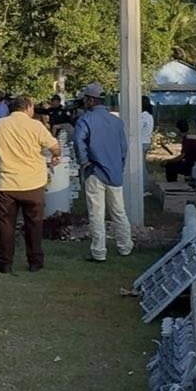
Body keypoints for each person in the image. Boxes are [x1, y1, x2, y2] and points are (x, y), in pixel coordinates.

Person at [0, 95, 59, 273]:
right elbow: (54, 146)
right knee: (34, 224)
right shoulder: (35, 126)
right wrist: (56, 156)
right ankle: (35, 261)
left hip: (6, 183)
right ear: (28, 107)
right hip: (33, 183)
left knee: (6, 224)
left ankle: (5, 262)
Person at [72, 83, 133, 263]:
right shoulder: (116, 121)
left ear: (91, 100)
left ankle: (99, 252)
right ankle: (125, 247)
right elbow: (123, 148)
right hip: (114, 172)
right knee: (119, 211)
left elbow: (78, 140)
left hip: (95, 171)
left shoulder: (86, 119)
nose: (84, 102)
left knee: (96, 213)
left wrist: (83, 161)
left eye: (85, 99)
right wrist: (120, 166)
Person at [166, 119, 196, 183]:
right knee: (177, 163)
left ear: (178, 129)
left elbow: (181, 157)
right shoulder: (189, 137)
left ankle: (172, 184)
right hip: (195, 163)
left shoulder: (187, 139)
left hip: (194, 164)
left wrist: (168, 161)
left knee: (170, 165)